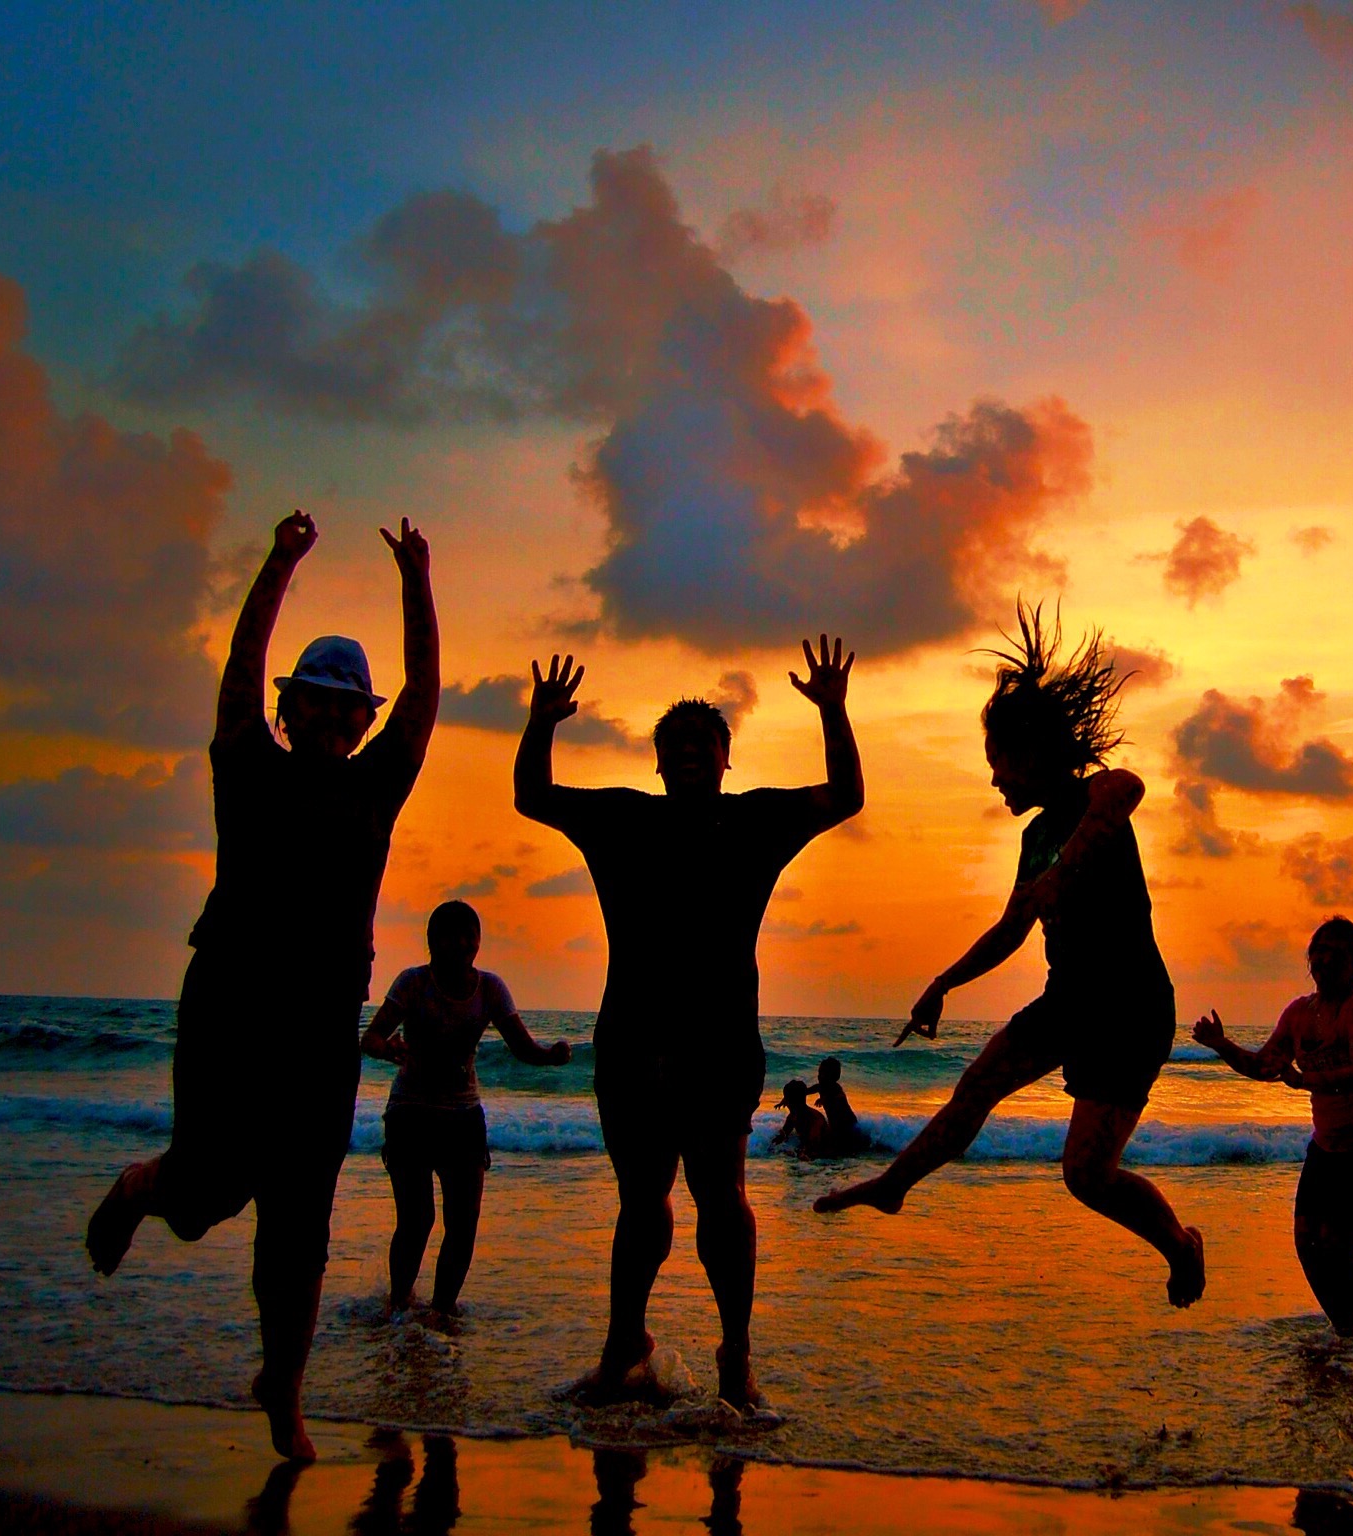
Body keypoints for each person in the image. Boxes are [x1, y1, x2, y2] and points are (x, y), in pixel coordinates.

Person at [84, 509, 439, 1461]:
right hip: (228, 1012)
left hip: (320, 1031)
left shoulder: (376, 785)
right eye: (315, 701)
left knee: (298, 1219)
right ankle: (143, 1184)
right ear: (292, 709)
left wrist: (417, 582)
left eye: (347, 707)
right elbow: (240, 672)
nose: (332, 716)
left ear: (362, 721)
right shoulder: (245, 764)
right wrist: (279, 564)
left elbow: (422, 700)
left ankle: (282, 1387)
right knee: (202, 1201)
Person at [814, 604, 1205, 1310]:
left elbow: (1128, 787)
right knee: (975, 1087)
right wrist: (943, 983)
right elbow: (1009, 930)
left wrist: (1063, 875)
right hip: (1069, 1001)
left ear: (1036, 754)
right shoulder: (1033, 839)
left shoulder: (1096, 795)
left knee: (1085, 1176)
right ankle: (894, 1185)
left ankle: (1180, 1244)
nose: (996, 781)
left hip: (1132, 1009)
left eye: (1001, 765)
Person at [515, 637, 862, 1414]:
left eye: (704, 743)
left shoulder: (754, 821)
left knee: (721, 1197)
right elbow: (532, 796)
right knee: (641, 1201)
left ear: (726, 758)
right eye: (674, 746)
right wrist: (541, 722)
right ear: (657, 762)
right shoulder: (621, 819)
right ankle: (624, 1347)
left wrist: (833, 711)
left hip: (720, 1046)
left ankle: (736, 1358)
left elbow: (844, 796)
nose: (689, 754)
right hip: (630, 1044)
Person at [359, 900, 571, 1320]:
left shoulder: (490, 988)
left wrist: (550, 1056)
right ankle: (399, 1309)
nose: (461, 944)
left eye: (469, 935)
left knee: (464, 1223)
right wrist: (387, 1048)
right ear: (432, 942)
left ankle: (442, 1311)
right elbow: (371, 1037)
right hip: (411, 1112)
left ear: (478, 941)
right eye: (450, 936)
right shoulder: (413, 983)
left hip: (463, 1115)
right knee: (417, 1219)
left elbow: (520, 1046)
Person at [1193, 917, 1353, 1335]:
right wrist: (1221, 1045)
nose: (1325, 960)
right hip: (1328, 1146)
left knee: (1338, 1253)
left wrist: (1305, 1079)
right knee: (1307, 1246)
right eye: (1319, 951)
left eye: (1337, 954)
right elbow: (1264, 1066)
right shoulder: (1298, 1013)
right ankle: (1346, 1330)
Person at [808, 1057, 868, 1157]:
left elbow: (837, 1096)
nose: (819, 1076)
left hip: (847, 1124)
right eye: (819, 1073)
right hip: (835, 1125)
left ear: (833, 1077)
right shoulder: (820, 1087)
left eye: (822, 1074)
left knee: (842, 1148)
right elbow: (805, 1091)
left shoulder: (836, 1088)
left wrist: (824, 1099)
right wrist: (789, 1097)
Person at [768, 1079, 829, 1158]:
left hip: (827, 1157)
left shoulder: (814, 1118)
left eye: (786, 1099)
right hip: (812, 1155)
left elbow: (815, 1145)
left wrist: (797, 1153)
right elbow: (783, 1135)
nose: (785, 1103)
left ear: (793, 1101)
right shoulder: (793, 1116)